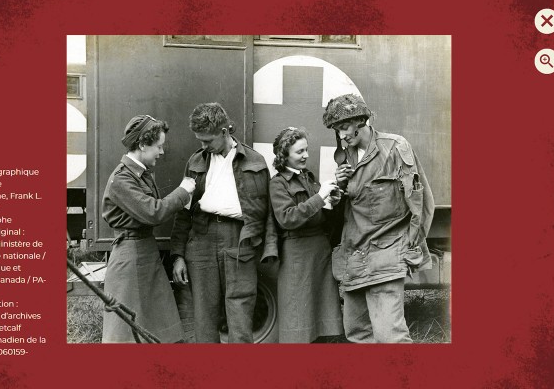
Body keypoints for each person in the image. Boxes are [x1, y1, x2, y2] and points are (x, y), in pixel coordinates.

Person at [323, 94, 435, 343]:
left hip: (387, 253)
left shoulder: (395, 147)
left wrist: (411, 247)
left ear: (360, 121)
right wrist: (339, 189)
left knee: (390, 336)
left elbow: (421, 203)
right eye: (337, 130)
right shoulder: (345, 157)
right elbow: (349, 211)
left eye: (344, 127)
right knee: (358, 333)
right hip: (355, 256)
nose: (341, 135)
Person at [169, 103, 277, 343]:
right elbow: (183, 212)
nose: (203, 146)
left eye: (208, 140)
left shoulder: (255, 161)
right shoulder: (195, 162)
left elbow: (268, 211)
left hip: (239, 239)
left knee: (240, 314)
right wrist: (178, 255)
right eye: (200, 140)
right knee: (204, 317)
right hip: (202, 239)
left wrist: (268, 249)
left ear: (224, 131)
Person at [101, 115, 196, 343]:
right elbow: (153, 212)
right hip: (130, 259)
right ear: (143, 144)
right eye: (158, 146)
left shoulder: (140, 174)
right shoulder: (122, 179)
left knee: (157, 331)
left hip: (145, 253)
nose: (161, 152)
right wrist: (183, 192)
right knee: (127, 336)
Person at [269, 127, 344, 343]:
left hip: (319, 252)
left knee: (320, 318)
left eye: (306, 150)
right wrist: (320, 197)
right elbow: (287, 218)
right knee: (298, 319)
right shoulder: (278, 183)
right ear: (284, 155)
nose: (306, 155)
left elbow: (318, 214)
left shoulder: (308, 177)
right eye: (300, 152)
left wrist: (331, 204)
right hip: (297, 255)